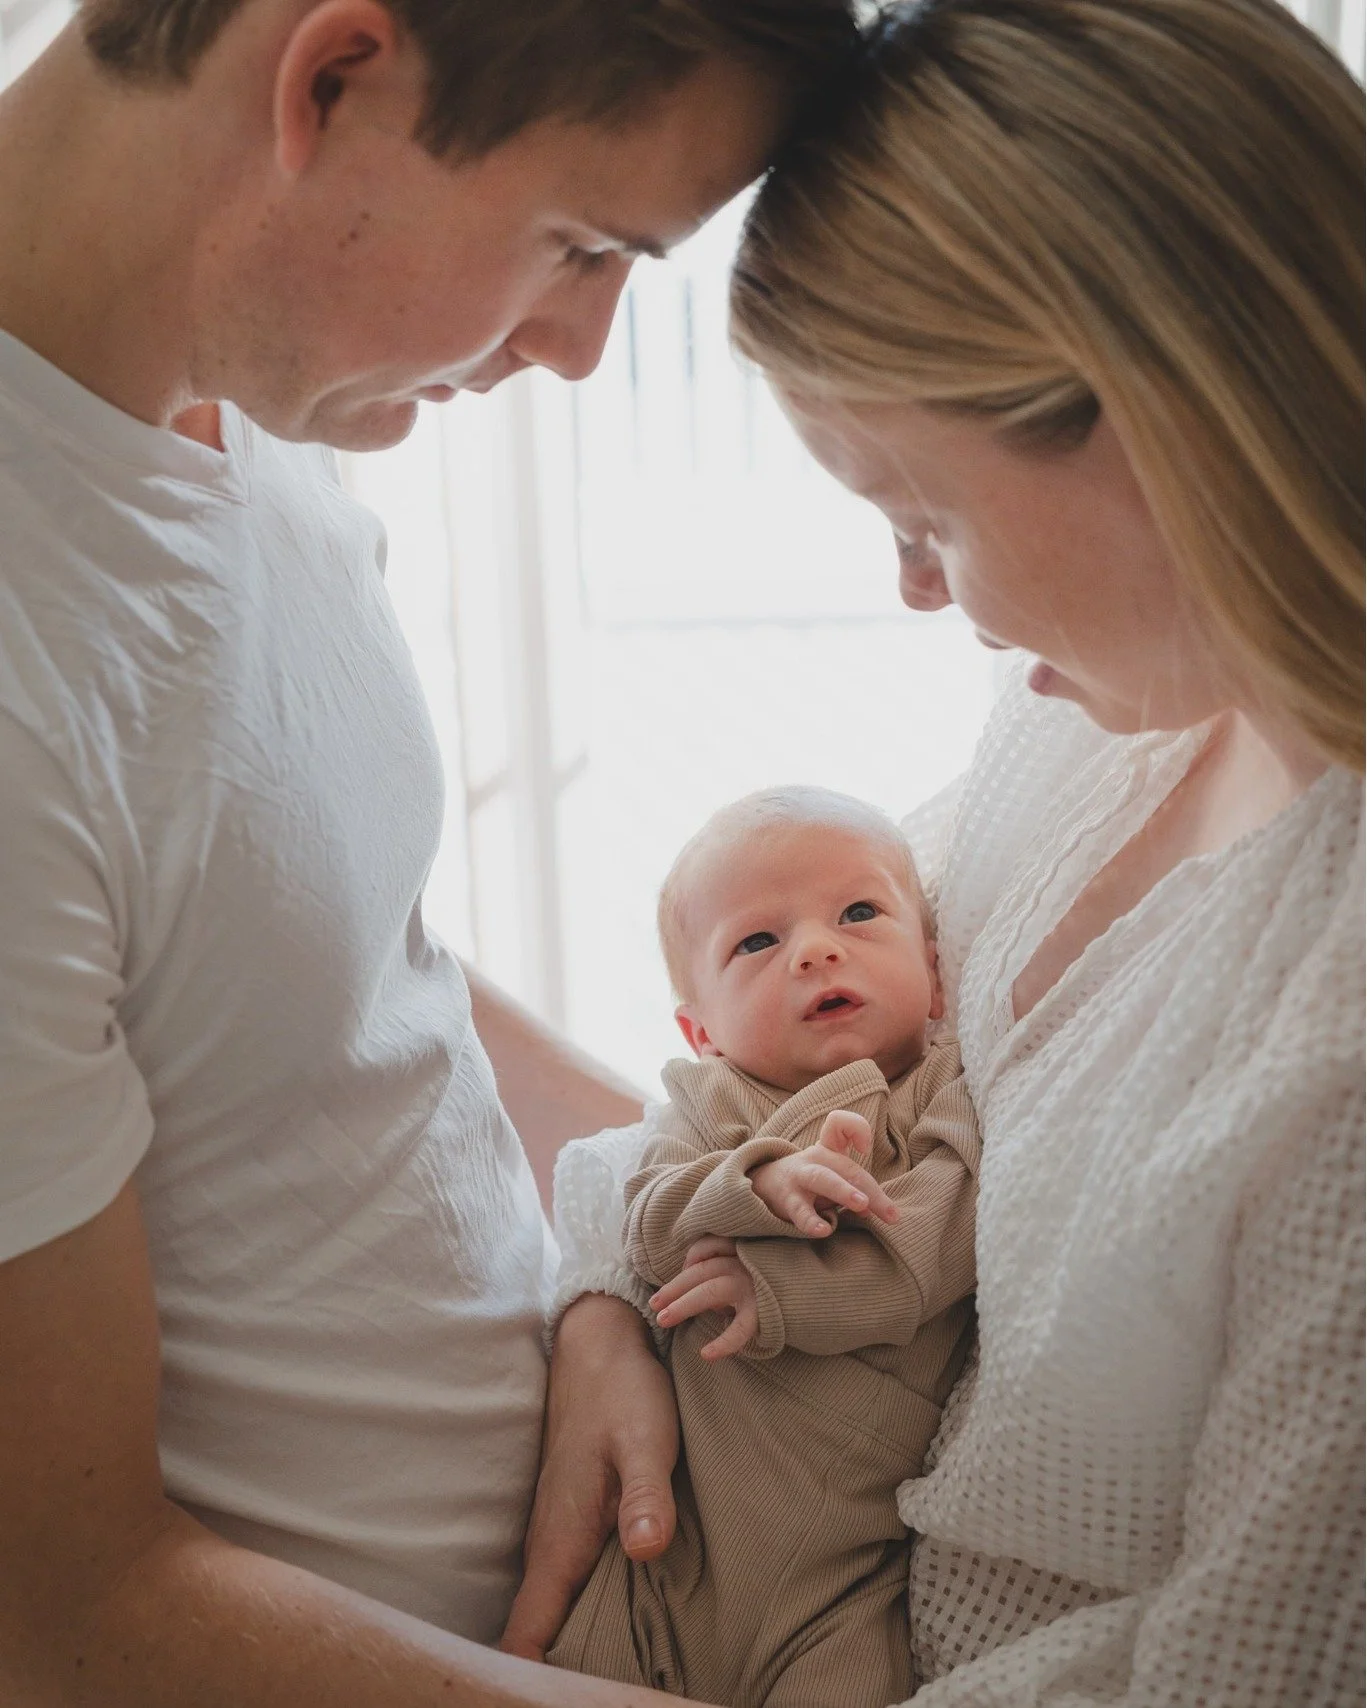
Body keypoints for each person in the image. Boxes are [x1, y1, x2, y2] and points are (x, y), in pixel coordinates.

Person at [0, 0, 864, 1702]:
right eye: (583, 244)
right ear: (330, 81)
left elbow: (326, 975)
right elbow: (66, 1612)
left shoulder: (247, 396)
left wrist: (622, 1259)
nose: (583, 348)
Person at [516, 1, 1366, 1702]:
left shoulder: (1328, 1022)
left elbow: (1248, 1661)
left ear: (1156, 418)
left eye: (924, 518)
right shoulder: (1092, 732)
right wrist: (605, 1302)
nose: (916, 594)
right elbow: (747, 1072)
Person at [548, 787, 979, 1705]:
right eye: (756, 942)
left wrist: (778, 1290)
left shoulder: (943, 1095)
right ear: (701, 1032)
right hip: (663, 1568)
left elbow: (940, 1242)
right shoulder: (709, 1107)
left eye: (857, 913)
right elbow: (648, 1227)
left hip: (838, 1588)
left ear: (934, 975)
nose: (816, 949)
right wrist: (756, 1179)